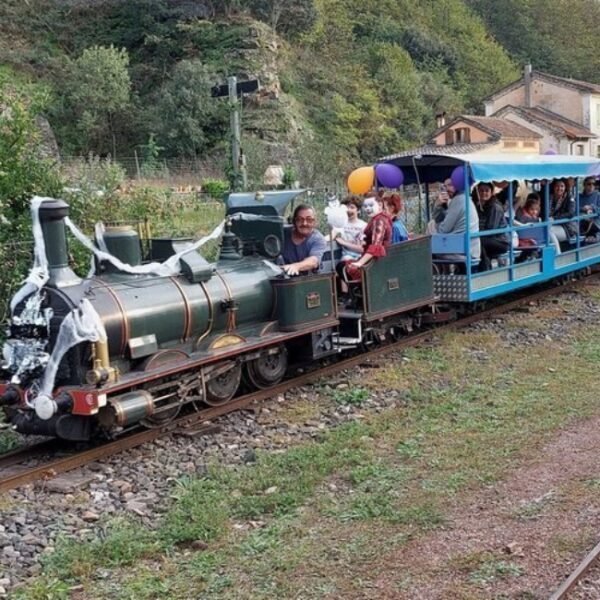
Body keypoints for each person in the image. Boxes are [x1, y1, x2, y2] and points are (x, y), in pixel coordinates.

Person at [340, 195, 392, 283]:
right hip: (373, 258)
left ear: (379, 205)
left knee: (343, 266)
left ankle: (357, 293)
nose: (368, 208)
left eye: (371, 205)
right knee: (341, 266)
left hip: (376, 261)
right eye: (365, 206)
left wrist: (360, 263)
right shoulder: (375, 219)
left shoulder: (379, 220)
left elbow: (376, 245)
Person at [430, 180, 481, 263]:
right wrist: (440, 207)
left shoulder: (458, 201)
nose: (447, 189)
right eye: (445, 186)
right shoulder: (465, 198)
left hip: (462, 251)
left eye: (450, 185)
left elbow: (443, 230)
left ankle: (439, 274)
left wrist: (437, 206)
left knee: (428, 250)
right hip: (471, 248)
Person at [280, 204, 327, 276]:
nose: (304, 223)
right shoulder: (283, 233)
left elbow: (313, 261)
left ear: (314, 222)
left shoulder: (318, 239)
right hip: (283, 279)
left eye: (309, 220)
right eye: (300, 219)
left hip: (309, 281)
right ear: (294, 221)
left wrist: (296, 266)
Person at [474, 182, 511, 270]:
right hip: (487, 239)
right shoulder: (479, 205)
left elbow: (491, 229)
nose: (484, 193)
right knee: (476, 241)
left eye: (487, 191)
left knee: (478, 242)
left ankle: (485, 267)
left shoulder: (495, 207)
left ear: (491, 192)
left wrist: (476, 234)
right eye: (481, 191)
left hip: (500, 241)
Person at [333, 195, 367, 261]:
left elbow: (362, 249)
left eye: (352, 207)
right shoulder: (340, 224)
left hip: (361, 259)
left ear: (358, 210)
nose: (348, 210)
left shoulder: (364, 226)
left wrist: (343, 242)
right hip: (345, 259)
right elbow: (331, 235)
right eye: (346, 208)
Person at [549, 179, 577, 245]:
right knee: (544, 230)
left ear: (565, 187)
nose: (559, 188)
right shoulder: (549, 197)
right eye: (557, 186)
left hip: (567, 227)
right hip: (552, 224)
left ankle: (558, 254)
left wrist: (555, 218)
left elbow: (571, 213)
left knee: (548, 232)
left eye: (562, 186)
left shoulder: (569, 197)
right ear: (553, 187)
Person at [579, 176, 600, 241]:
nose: (591, 186)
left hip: (595, 221)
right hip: (582, 221)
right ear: (584, 185)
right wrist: (583, 208)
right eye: (589, 184)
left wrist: (592, 207)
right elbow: (574, 208)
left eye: (593, 184)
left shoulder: (598, 195)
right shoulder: (579, 196)